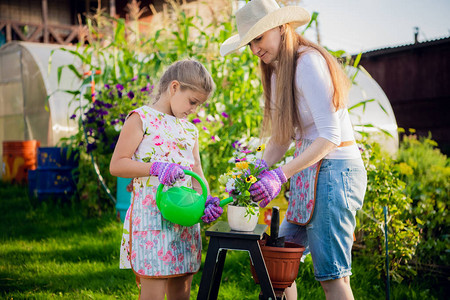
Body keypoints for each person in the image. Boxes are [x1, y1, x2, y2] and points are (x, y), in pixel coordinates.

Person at [220, 0, 367, 299]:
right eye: (249, 43)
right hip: (309, 171)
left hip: (335, 171)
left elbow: (329, 137)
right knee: (275, 266)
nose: (254, 50)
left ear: (279, 26)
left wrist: (279, 175)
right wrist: (245, 181)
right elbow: (280, 140)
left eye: (258, 38)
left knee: (333, 276)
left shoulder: (308, 62)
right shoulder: (277, 72)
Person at [110, 59, 223, 300]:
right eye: (192, 101)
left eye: (199, 105)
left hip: (184, 221)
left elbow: (197, 172)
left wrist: (207, 199)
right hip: (152, 219)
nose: (194, 110)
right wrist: (155, 168)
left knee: (181, 290)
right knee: (153, 290)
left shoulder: (189, 130)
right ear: (174, 87)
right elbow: (117, 164)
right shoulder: (141, 119)